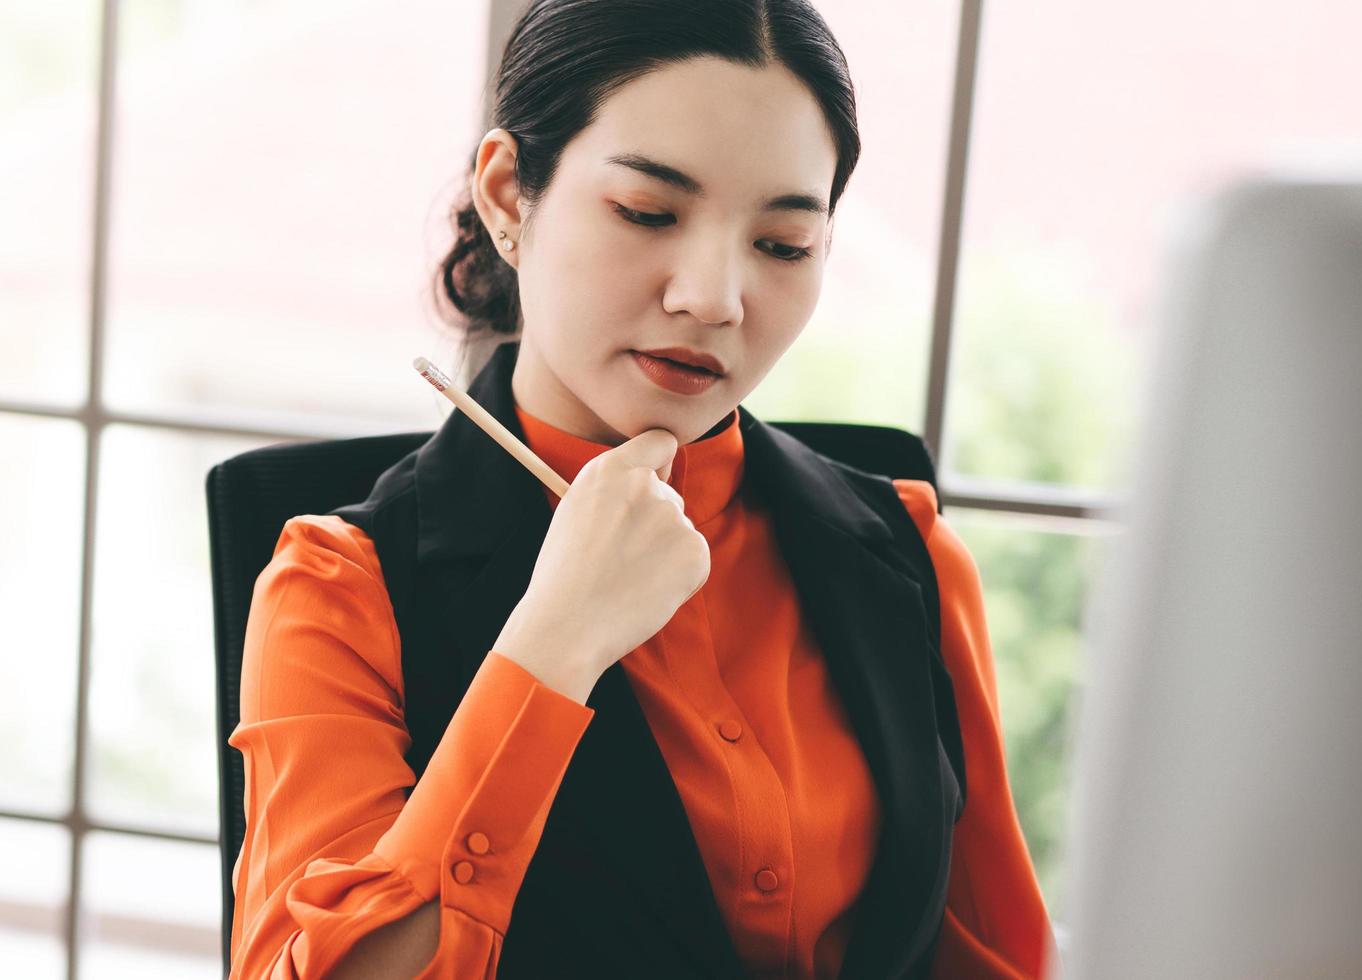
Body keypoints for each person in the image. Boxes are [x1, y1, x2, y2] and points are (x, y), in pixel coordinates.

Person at [224, 1, 1052, 977]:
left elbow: (991, 954)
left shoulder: (909, 552)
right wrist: (553, 640)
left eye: (781, 243)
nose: (713, 296)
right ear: (505, 196)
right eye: (647, 212)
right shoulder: (335, 586)